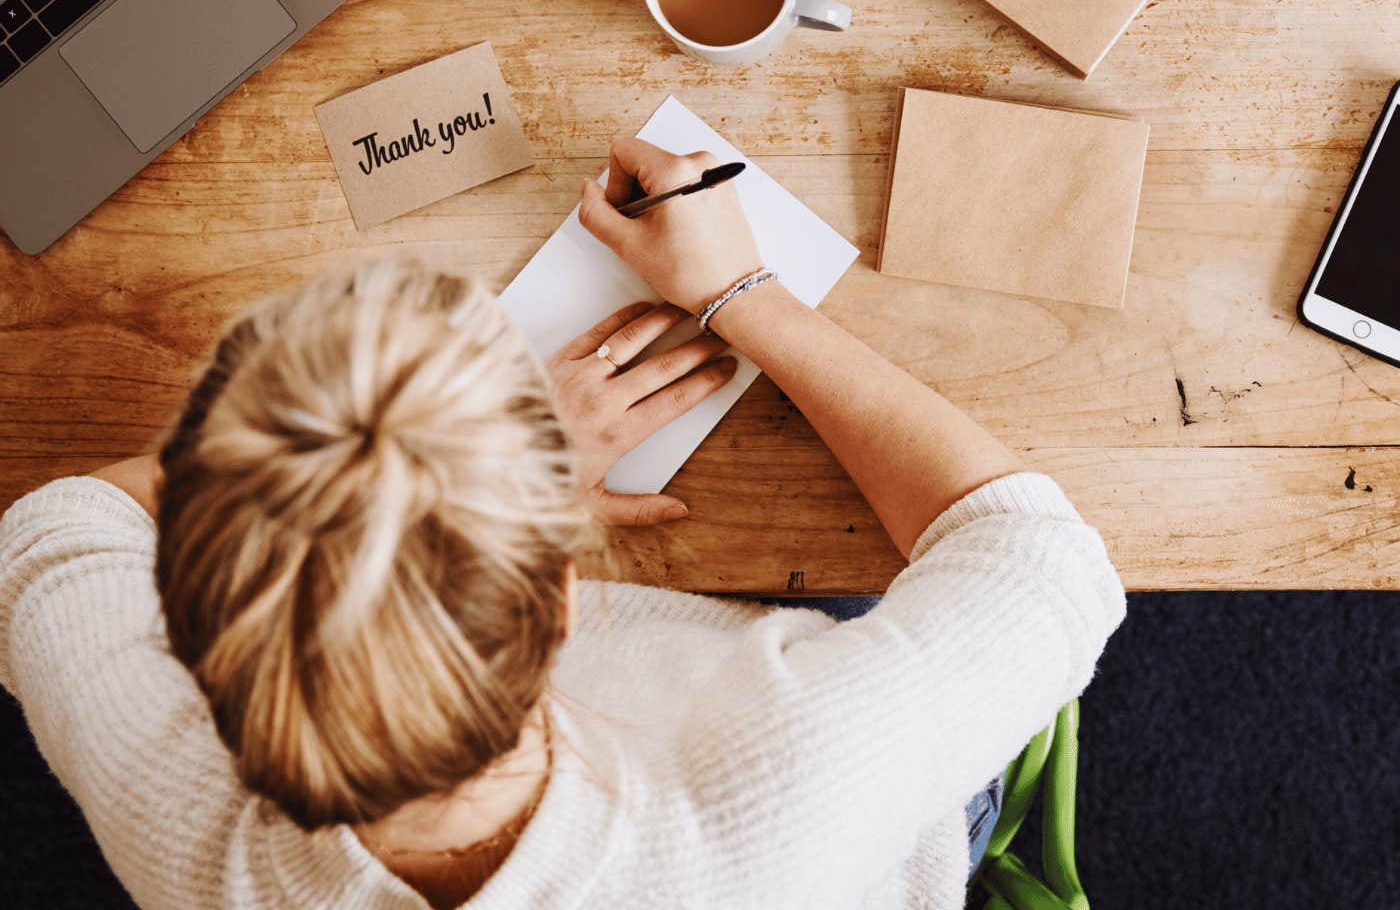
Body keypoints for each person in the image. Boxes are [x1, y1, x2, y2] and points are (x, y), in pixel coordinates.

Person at [0, 140, 1126, 909]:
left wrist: (445, 480)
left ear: (198, 642)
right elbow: (1045, 561)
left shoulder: (173, 808)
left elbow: (49, 535)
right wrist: (740, 289)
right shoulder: (786, 786)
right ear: (560, 599)